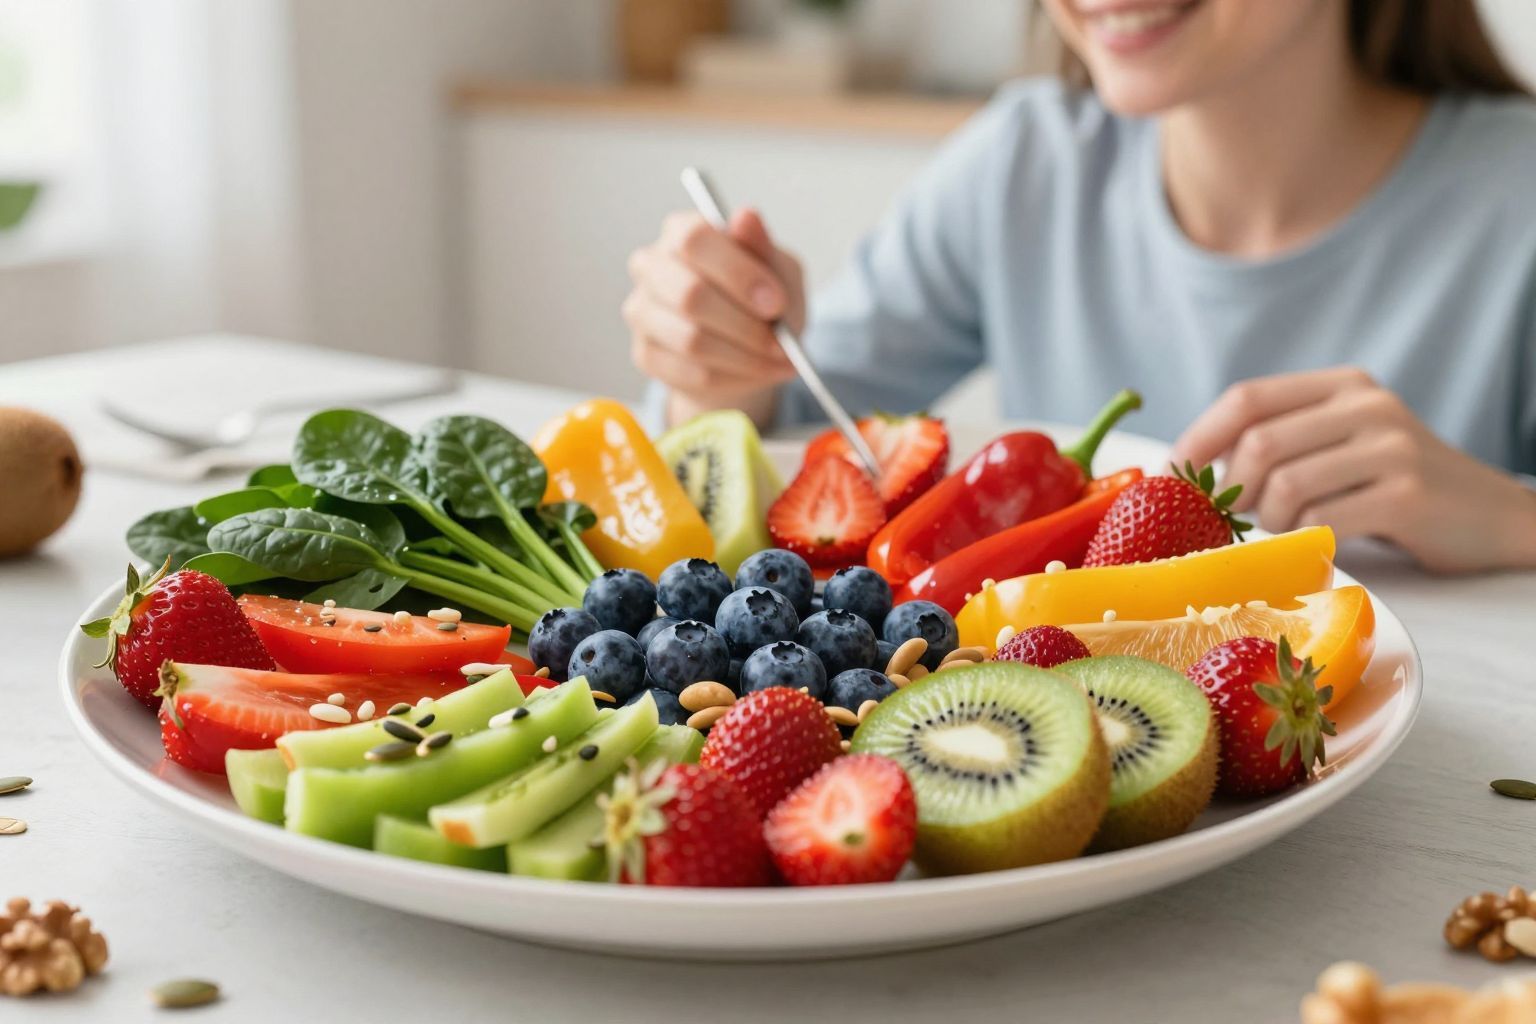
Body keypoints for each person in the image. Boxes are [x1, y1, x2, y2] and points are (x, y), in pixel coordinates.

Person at [623, 0, 1536, 573]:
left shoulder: (1516, 192)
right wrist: (722, 367)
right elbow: (782, 434)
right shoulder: (1022, 162)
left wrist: (1515, 518)